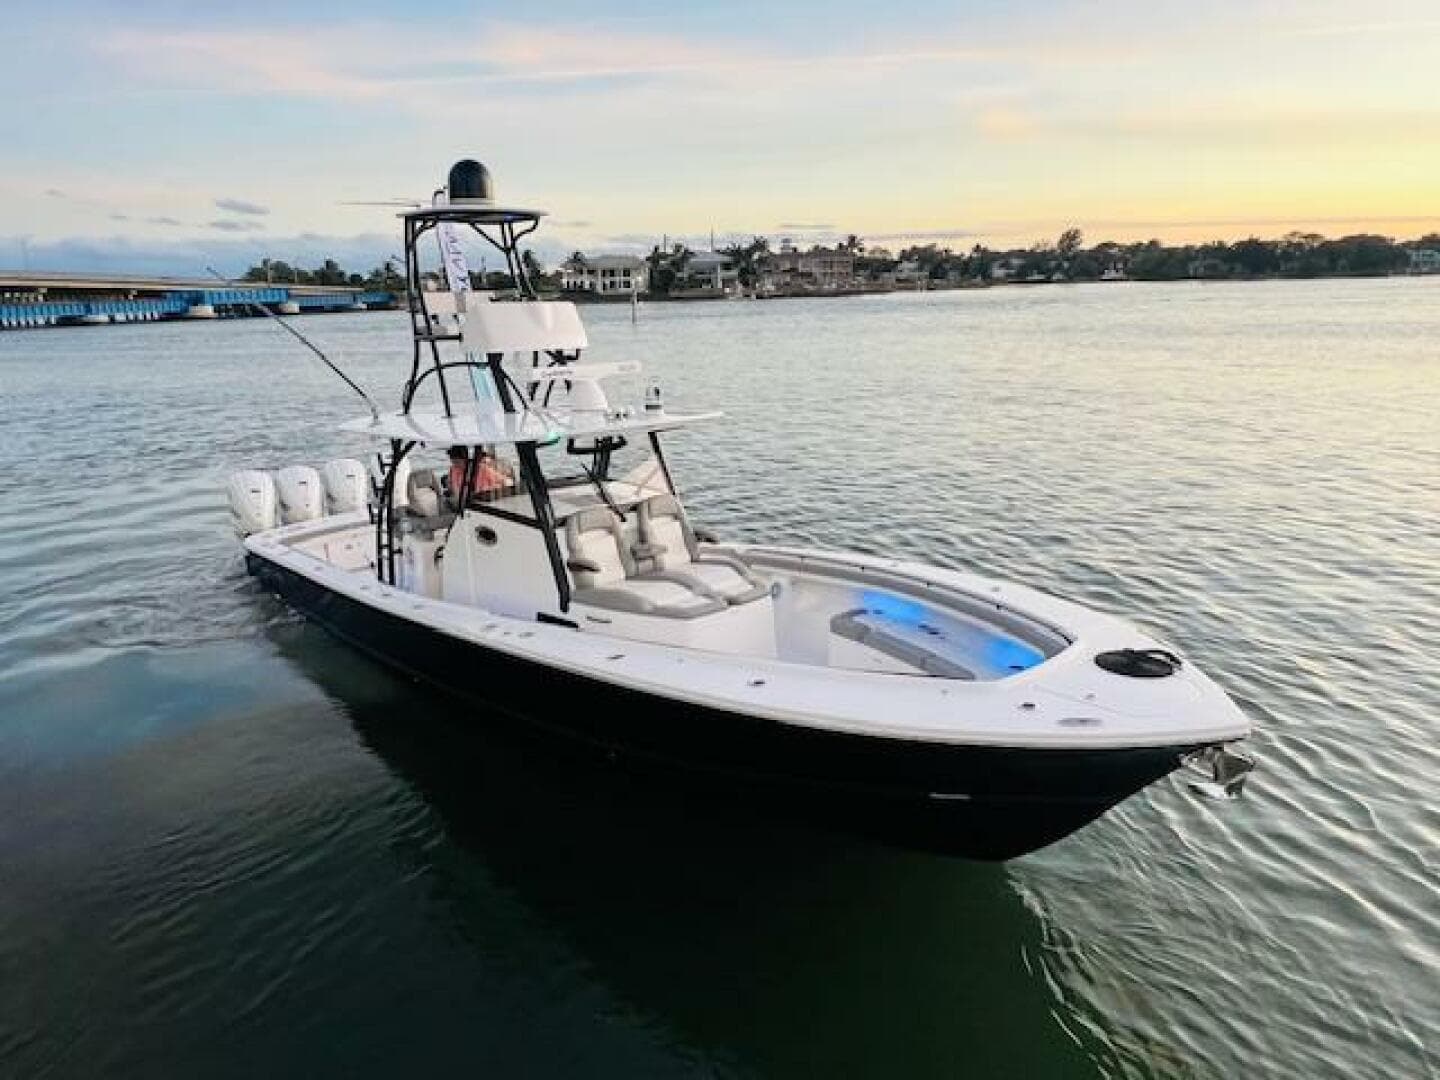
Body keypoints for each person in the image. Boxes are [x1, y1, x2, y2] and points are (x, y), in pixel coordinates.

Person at [447, 445, 515, 506]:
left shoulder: (481, 469)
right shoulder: (453, 470)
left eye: (457, 462)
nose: (455, 465)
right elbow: (452, 488)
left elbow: (507, 481)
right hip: (464, 503)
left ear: (465, 459)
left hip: (486, 501)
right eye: (453, 462)